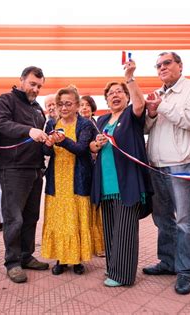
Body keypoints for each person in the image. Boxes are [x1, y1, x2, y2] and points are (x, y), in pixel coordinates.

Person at [142, 52, 190, 295]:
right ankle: (168, 262)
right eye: (158, 65)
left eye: (166, 63)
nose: (161, 68)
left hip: (182, 164)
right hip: (156, 164)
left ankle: (185, 271)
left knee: (184, 221)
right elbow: (148, 128)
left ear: (180, 65)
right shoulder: (158, 94)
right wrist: (150, 113)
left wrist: (162, 106)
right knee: (162, 218)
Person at [90, 59, 152, 287]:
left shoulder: (131, 115)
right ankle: (112, 269)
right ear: (105, 99)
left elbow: (139, 104)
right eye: (110, 93)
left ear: (126, 97)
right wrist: (95, 145)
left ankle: (124, 276)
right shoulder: (102, 120)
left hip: (127, 183)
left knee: (125, 231)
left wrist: (130, 78)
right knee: (110, 230)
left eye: (120, 92)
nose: (115, 95)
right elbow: (93, 148)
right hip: (105, 185)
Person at [0, 66, 49, 283]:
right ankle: (13, 262)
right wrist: (29, 131)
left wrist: (48, 141)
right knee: (14, 218)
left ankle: (26, 256)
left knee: (31, 217)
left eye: (39, 86)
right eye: (32, 84)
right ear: (22, 80)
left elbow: (40, 137)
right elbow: (2, 124)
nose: (35, 89)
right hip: (13, 169)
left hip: (35, 169)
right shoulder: (6, 100)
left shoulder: (38, 109)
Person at [42, 85, 96, 275]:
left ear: (76, 105)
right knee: (59, 220)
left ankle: (77, 260)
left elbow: (82, 149)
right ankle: (61, 259)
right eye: (60, 104)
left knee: (76, 219)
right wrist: (48, 144)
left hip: (78, 178)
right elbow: (46, 152)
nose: (63, 108)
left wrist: (61, 140)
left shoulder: (85, 124)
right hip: (56, 178)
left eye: (68, 104)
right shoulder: (51, 124)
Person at [79, 95, 105, 257]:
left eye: (87, 105)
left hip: (99, 168)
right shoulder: (77, 125)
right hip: (83, 170)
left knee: (98, 206)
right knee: (86, 205)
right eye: (81, 105)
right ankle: (86, 243)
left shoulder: (99, 123)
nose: (84, 108)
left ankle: (99, 243)